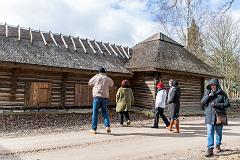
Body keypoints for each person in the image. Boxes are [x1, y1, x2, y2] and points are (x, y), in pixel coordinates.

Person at [201, 78, 230, 157]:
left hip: (219, 115)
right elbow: (202, 103)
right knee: (210, 131)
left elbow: (227, 104)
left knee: (218, 132)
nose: (213, 87)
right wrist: (208, 96)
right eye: (211, 85)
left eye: (214, 85)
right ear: (209, 86)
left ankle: (218, 145)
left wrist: (217, 105)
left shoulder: (222, 93)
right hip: (210, 115)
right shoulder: (207, 93)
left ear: (217, 85)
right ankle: (210, 149)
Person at [88, 67, 114, 134]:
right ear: (104, 72)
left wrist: (96, 76)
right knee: (105, 112)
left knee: (95, 113)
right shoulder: (108, 78)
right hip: (105, 97)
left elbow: (89, 83)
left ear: (99, 72)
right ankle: (107, 126)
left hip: (97, 97)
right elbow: (112, 84)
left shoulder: (96, 77)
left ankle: (94, 129)